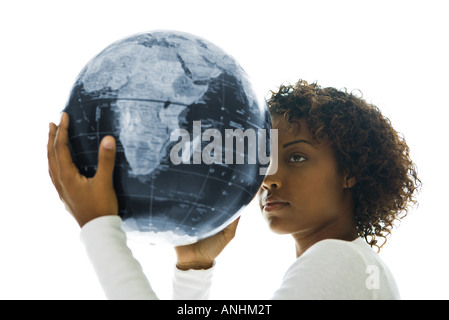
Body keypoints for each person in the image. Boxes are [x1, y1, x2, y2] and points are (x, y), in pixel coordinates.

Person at [47, 79, 420, 299]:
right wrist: (194, 271)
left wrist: (99, 227)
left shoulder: (336, 262)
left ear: (350, 173)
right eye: (265, 160)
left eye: (297, 158)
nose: (269, 178)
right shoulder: (360, 267)